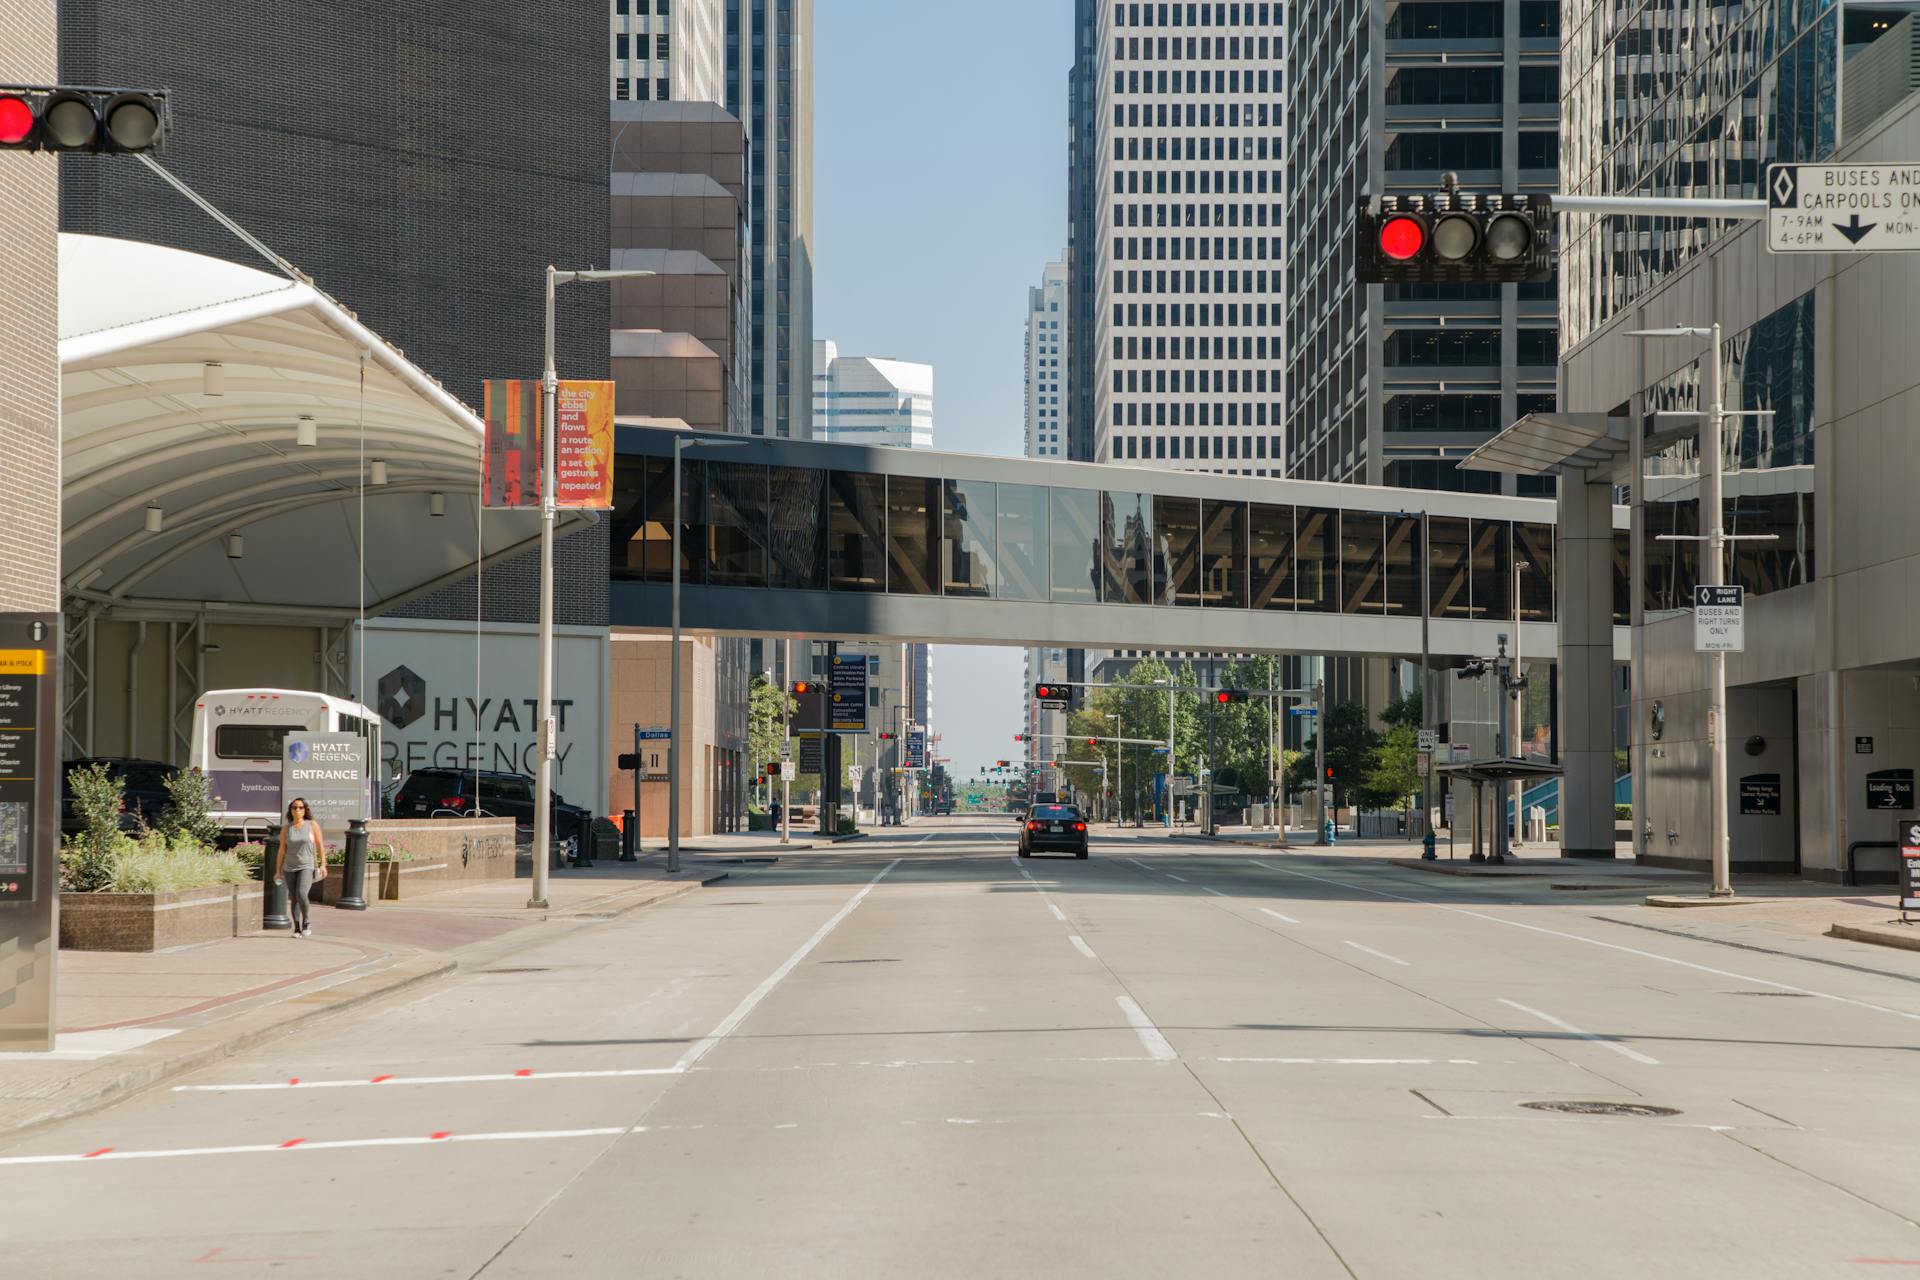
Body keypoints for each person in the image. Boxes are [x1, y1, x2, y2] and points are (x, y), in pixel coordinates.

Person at [273, 797, 325, 937]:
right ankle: (296, 928)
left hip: (306, 865)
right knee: (294, 897)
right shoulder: (287, 828)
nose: (297, 810)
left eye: (300, 807)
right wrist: (278, 871)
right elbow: (282, 850)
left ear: (305, 810)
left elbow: (320, 846)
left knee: (301, 893)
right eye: (294, 807)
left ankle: (306, 921)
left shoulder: (312, 825)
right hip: (289, 867)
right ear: (290, 810)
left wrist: (323, 865)